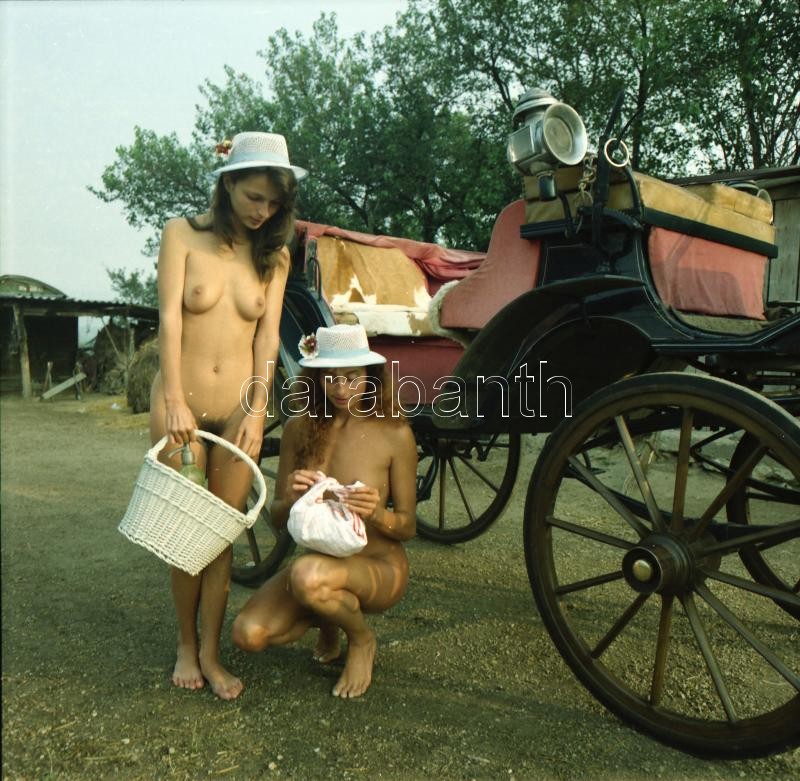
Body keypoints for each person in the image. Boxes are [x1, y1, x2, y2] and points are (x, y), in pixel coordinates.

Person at [149, 132, 307, 700]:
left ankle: (211, 654)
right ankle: (184, 644)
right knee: (184, 530)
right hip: (181, 405)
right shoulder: (181, 234)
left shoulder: (274, 255)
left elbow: (267, 339)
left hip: (241, 409)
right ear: (228, 184)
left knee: (219, 536)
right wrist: (174, 398)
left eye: (273, 202)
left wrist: (259, 409)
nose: (263, 211)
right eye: (253, 197)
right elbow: (170, 320)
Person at [232, 324, 417, 698]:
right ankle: (328, 616)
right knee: (247, 634)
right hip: (317, 568)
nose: (341, 388)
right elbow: (279, 518)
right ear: (315, 378)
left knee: (306, 574)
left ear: (370, 375)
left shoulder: (394, 434)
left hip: (379, 567)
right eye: (330, 377)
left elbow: (408, 526)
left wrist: (378, 514)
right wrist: (291, 498)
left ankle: (361, 638)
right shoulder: (299, 429)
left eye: (352, 377)